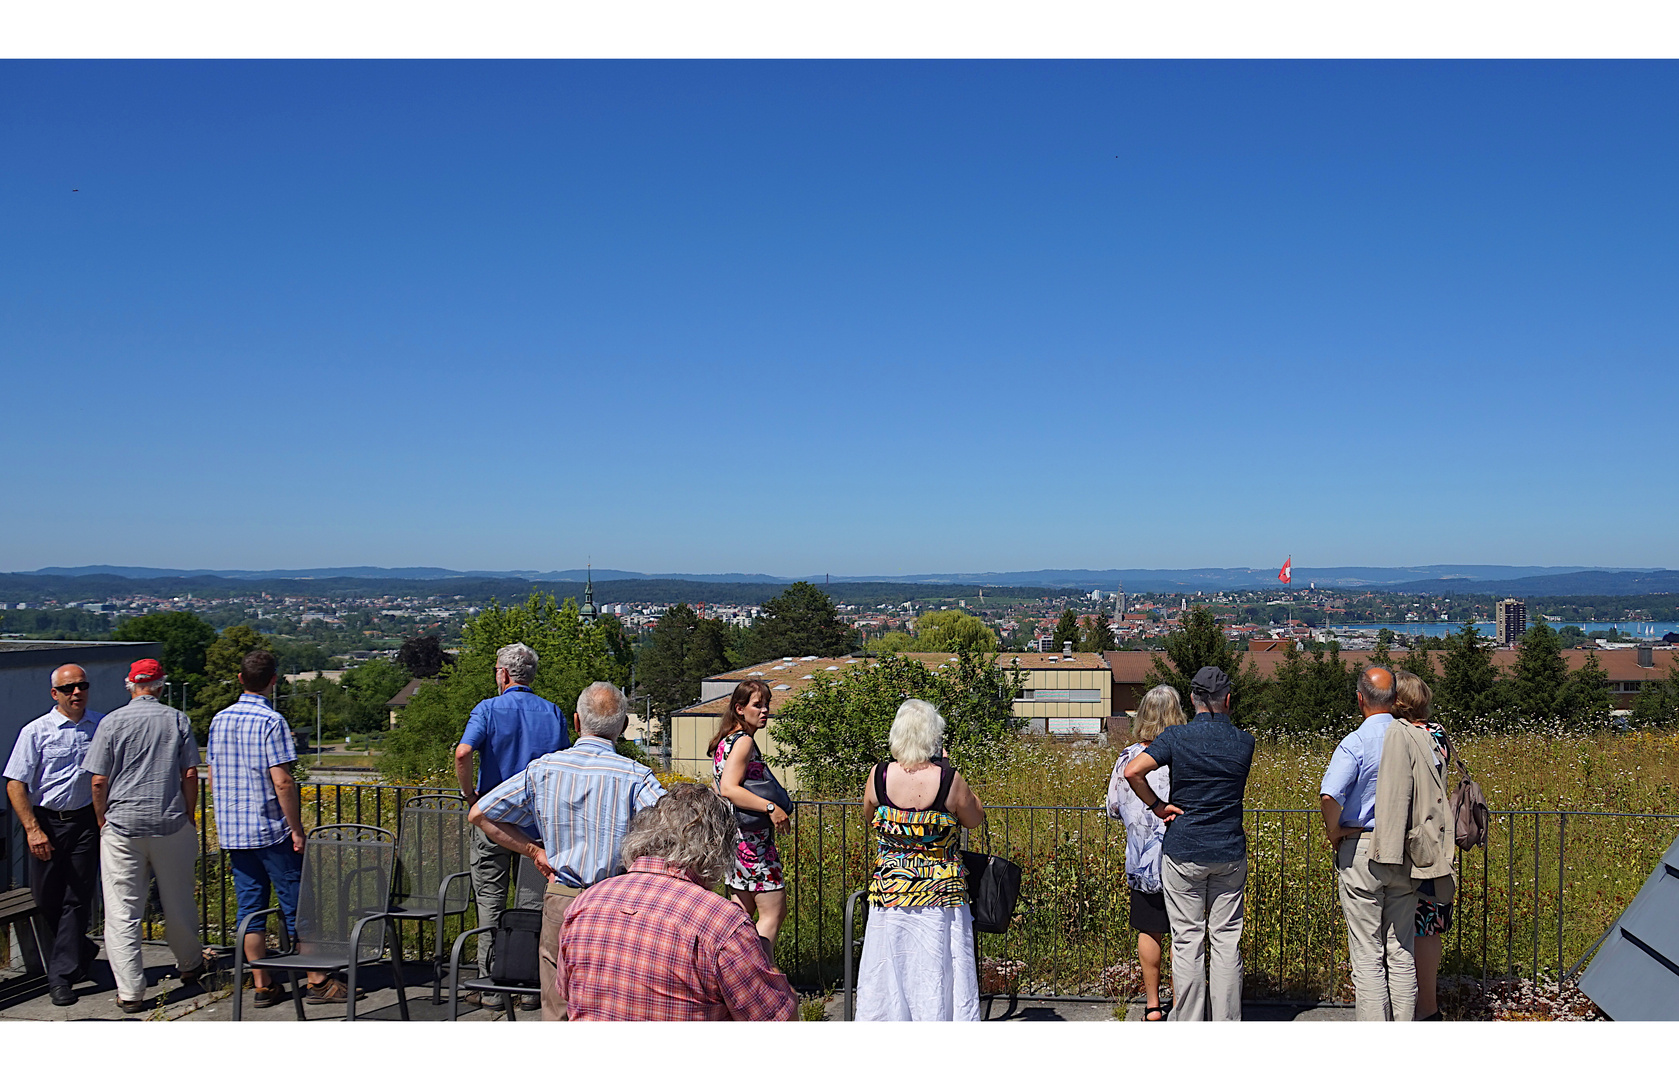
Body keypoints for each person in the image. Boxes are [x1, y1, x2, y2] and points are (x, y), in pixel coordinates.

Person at [468, 681, 664, 1021]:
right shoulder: (636, 776)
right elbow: (671, 831)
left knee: (558, 1002)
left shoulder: (545, 769)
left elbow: (481, 813)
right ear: (624, 726)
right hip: (616, 899)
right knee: (612, 1000)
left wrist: (532, 849)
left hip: (562, 894)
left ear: (576, 722)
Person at [556, 783, 797, 1021]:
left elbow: (568, 995)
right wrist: (768, 967)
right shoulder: (723, 923)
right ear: (716, 848)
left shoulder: (583, 905)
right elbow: (777, 1019)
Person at [208, 650, 348, 1008]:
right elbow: (282, 781)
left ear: (240, 679)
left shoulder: (219, 720)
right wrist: (296, 828)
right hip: (270, 829)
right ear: (273, 680)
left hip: (234, 831)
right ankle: (316, 980)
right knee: (298, 904)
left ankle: (262, 983)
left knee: (249, 908)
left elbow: (214, 772)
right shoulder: (271, 722)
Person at [1122, 665, 1255, 1022]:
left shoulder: (1176, 738)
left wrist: (1157, 806)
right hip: (1228, 849)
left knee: (1187, 941)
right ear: (1228, 700)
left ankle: (1190, 1024)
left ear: (1193, 699)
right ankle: (1227, 1022)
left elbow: (1132, 771)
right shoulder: (1245, 742)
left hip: (1184, 850)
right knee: (1227, 942)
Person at [84, 658, 205, 1013]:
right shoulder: (176, 720)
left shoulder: (110, 722)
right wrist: (188, 814)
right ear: (160, 685)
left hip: (122, 826)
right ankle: (189, 964)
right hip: (169, 822)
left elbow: (98, 780)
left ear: (130, 685)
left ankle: (131, 991)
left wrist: (102, 818)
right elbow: (189, 773)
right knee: (179, 901)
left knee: (122, 910)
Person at [855, 698, 987, 1021]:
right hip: (941, 898)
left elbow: (868, 814)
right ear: (933, 736)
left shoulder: (879, 776)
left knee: (889, 976)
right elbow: (975, 818)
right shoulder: (948, 780)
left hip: (891, 895)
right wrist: (949, 765)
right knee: (938, 974)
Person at [454, 641, 569, 1010]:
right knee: (532, 901)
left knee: (489, 899)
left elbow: (463, 751)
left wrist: (472, 796)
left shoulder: (488, 709)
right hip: (537, 824)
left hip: (493, 819)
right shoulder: (552, 712)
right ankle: (526, 983)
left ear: (503, 674)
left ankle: (490, 983)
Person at [1319, 665, 1417, 1022]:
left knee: (1368, 953)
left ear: (1360, 700)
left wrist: (1334, 832)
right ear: (1394, 699)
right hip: (1406, 848)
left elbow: (1330, 795)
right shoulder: (1414, 739)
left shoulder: (1356, 742)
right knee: (1401, 950)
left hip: (1362, 845)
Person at [3, 663, 105, 1006]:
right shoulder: (36, 731)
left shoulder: (101, 726)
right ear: (55, 694)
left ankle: (60, 977)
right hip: (47, 822)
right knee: (46, 898)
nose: (77, 693)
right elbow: (15, 783)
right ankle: (81, 948)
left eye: (82, 686)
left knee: (77, 897)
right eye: (68, 688)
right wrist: (32, 829)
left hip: (85, 823)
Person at [1104, 684, 1188, 1020]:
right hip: (1179, 857)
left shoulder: (1127, 757)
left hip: (1141, 861)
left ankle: (1153, 1006)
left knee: (1149, 930)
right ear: (1176, 715)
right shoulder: (1181, 755)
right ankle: (1184, 1004)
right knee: (1183, 934)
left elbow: (1112, 806)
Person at [1380, 670, 1456, 1022]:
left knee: (1410, 928)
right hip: (1438, 843)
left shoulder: (1402, 735)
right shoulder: (1437, 734)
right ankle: (1429, 1005)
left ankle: (1416, 1007)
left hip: (1415, 846)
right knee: (1431, 928)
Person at [710, 679, 791, 947]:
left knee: (741, 919)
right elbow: (729, 789)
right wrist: (771, 808)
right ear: (740, 708)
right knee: (773, 912)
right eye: (758, 705)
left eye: (767, 704)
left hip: (736, 842)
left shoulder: (725, 741)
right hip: (754, 844)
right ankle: (762, 974)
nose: (765, 710)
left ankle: (735, 973)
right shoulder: (743, 741)